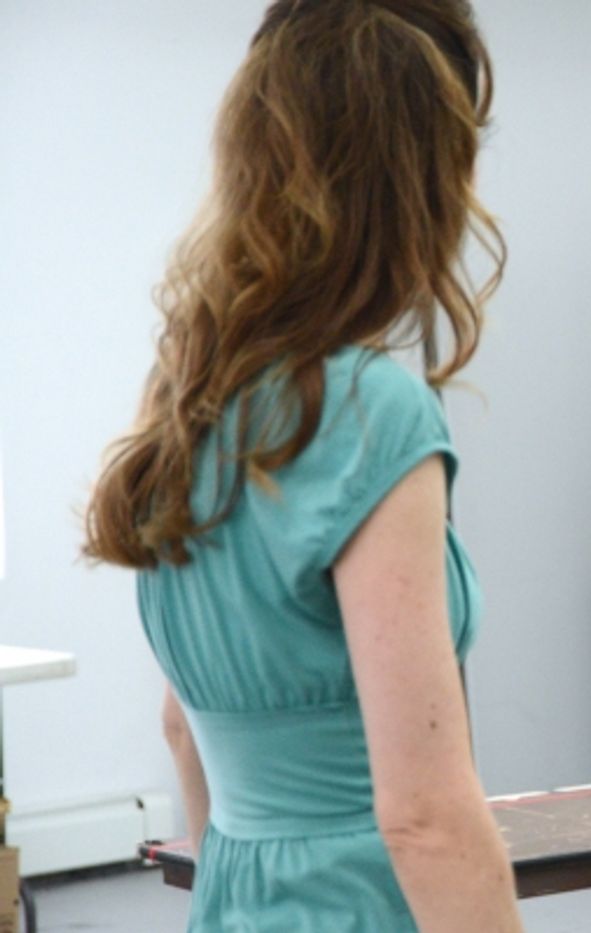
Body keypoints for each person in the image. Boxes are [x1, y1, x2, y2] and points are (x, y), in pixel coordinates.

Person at [83, 2, 521, 930]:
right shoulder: (370, 410)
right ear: (422, 180)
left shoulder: (193, 400)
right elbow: (426, 817)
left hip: (236, 897)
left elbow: (182, 729)